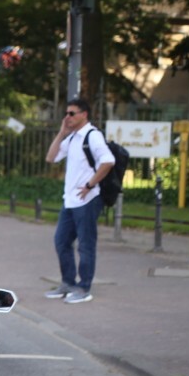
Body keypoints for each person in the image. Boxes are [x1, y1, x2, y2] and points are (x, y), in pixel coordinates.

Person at [44, 97, 114, 304]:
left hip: (87, 200)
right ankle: (67, 283)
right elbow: (51, 158)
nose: (68, 117)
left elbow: (108, 161)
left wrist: (91, 184)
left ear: (84, 114)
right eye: (66, 113)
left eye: (72, 113)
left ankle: (84, 288)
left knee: (85, 245)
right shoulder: (73, 138)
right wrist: (61, 133)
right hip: (70, 200)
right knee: (61, 241)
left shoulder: (92, 136)